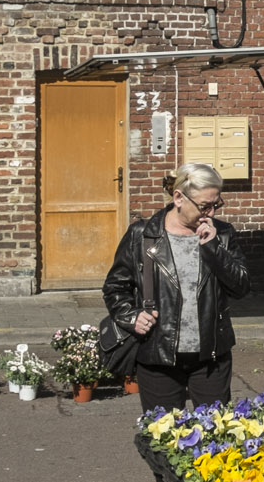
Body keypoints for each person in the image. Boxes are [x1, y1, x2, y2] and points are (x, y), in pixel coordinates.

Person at [103, 162, 250, 414]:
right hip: (157, 354)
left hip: (211, 356)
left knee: (216, 434)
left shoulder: (222, 234)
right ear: (179, 197)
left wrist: (213, 248)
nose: (211, 213)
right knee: (164, 437)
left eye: (217, 204)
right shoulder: (143, 234)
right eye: (204, 206)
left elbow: (241, 287)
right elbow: (115, 287)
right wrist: (131, 316)